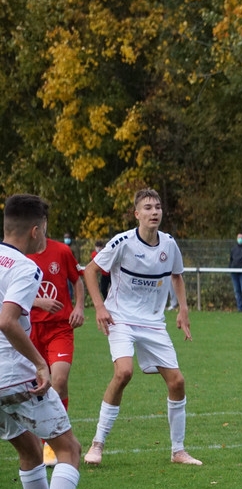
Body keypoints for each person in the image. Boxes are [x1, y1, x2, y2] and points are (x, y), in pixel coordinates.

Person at [1, 194, 89, 489]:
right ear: (36, 231)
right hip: (13, 373)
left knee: (28, 450)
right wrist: (39, 364)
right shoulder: (24, 266)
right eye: (45, 231)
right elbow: (6, 321)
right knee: (69, 448)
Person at [82, 189, 202, 466]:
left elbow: (177, 277)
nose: (154, 212)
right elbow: (89, 271)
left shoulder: (169, 244)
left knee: (178, 382)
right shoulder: (122, 242)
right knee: (124, 372)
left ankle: (178, 451)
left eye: (158, 207)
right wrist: (100, 307)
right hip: (121, 318)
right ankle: (97, 444)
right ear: (137, 214)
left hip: (152, 323)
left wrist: (183, 310)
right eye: (147, 207)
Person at [28, 236, 86, 466]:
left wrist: (79, 307)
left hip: (60, 328)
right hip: (29, 330)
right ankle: (43, 442)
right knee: (38, 384)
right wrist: (37, 302)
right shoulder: (18, 254)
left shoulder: (61, 251)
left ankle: (53, 444)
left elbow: (77, 280)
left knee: (58, 380)